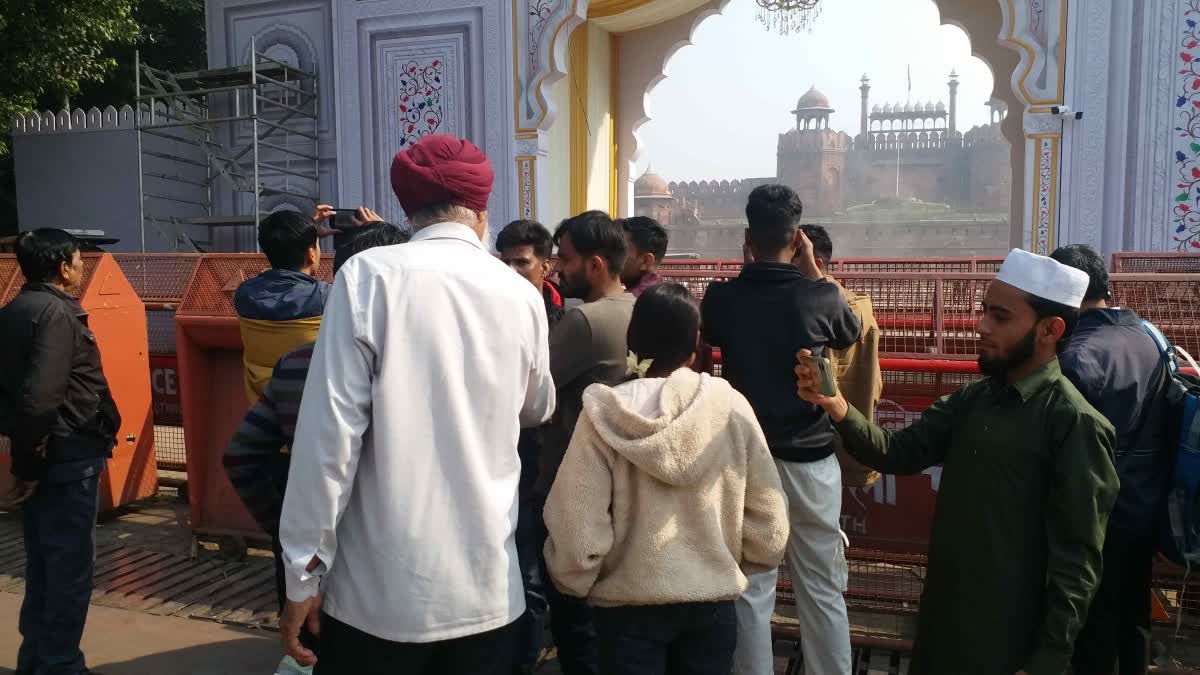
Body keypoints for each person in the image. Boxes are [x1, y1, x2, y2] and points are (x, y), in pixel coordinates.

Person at [277, 134, 556, 675]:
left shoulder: (367, 278)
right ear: (482, 212)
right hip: (488, 594)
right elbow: (537, 407)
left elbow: (327, 444)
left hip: (378, 600)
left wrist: (302, 573)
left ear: (408, 211)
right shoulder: (521, 294)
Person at [796, 248, 1120, 675]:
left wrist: (1047, 660)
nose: (980, 326)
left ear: (1051, 329)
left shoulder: (1074, 423)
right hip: (943, 625)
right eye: (984, 311)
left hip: (1008, 642)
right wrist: (835, 403)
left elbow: (1077, 563)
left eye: (1000, 317)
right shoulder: (973, 401)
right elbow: (896, 452)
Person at [543, 283, 789, 675]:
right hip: (712, 602)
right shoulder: (729, 406)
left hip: (625, 610)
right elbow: (770, 520)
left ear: (633, 340)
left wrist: (577, 578)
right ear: (695, 343)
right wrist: (739, 560)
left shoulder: (605, 412)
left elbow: (576, 523)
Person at [223, 222, 411, 675]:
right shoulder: (424, 370)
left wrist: (286, 527)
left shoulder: (258, 314)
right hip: (398, 563)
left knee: (312, 652)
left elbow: (240, 455)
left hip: (306, 524)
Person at [701, 184, 861, 675]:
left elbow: (711, 339)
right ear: (798, 239)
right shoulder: (819, 296)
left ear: (747, 236)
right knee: (821, 588)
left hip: (748, 460)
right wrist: (812, 269)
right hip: (811, 461)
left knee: (751, 588)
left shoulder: (723, 298)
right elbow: (851, 332)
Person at [1, 229, 122, 675]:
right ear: (62, 266)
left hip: (45, 453)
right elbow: (41, 397)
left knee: (44, 565)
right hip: (67, 456)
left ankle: (36, 658)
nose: (83, 264)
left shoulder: (15, 309)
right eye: (78, 258)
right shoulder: (56, 315)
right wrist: (28, 463)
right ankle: (60, 663)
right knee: (69, 569)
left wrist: (21, 455)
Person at [1050, 244, 1173, 675]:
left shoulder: (1077, 358)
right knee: (1132, 619)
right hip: (1144, 506)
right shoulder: (1149, 335)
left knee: (1092, 631)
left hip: (1097, 517)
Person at [538, 210, 635, 675]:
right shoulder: (642, 309)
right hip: (627, 484)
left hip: (572, 482)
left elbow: (531, 392)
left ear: (597, 264)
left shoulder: (585, 323)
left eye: (566, 257)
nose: (556, 267)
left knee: (574, 615)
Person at [496, 218, 565, 674]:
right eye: (505, 262)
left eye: (522, 263)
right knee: (516, 562)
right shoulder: (491, 310)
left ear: (547, 265)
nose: (511, 271)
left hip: (551, 460)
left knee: (540, 566)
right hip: (506, 458)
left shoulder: (564, 319)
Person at [234, 205, 380, 403]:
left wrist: (303, 235)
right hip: (311, 409)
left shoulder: (245, 295)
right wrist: (379, 233)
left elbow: (275, 275)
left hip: (265, 410)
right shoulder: (326, 298)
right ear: (312, 254)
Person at [798, 223, 884, 487]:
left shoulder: (839, 307)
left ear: (816, 262)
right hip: (839, 436)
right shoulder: (853, 304)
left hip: (821, 438)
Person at [618, 216, 668, 297]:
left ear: (645, 261)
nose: (611, 256)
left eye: (620, 250)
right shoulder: (665, 296)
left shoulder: (640, 304)